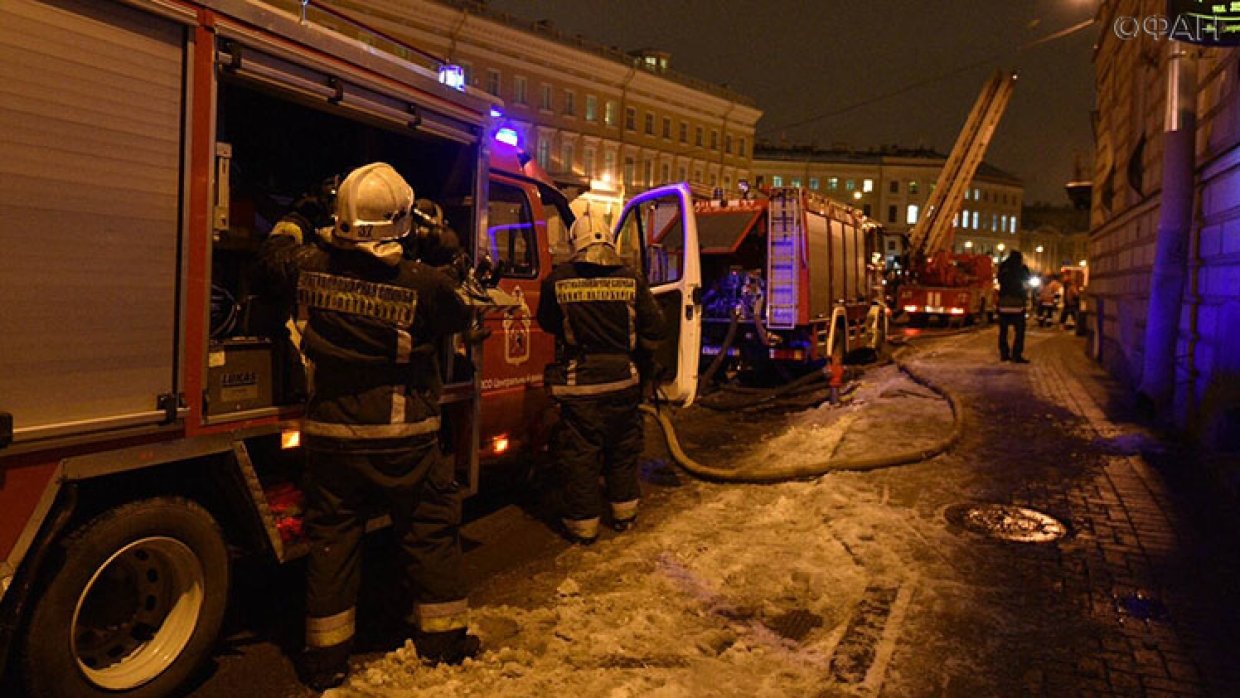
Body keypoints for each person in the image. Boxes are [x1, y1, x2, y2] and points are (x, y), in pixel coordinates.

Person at [259, 163, 480, 690]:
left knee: (333, 546)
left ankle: (327, 661)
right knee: (430, 536)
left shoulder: (305, 266)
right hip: (406, 440)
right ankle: (443, 643)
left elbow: (269, 261)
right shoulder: (422, 283)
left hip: (332, 439)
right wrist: (443, 249)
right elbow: (460, 313)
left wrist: (298, 215)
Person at [536, 210, 665, 545]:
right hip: (624, 380)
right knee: (623, 448)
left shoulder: (557, 280)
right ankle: (624, 515)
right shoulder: (631, 279)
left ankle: (584, 527)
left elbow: (549, 323)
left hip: (581, 385)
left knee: (581, 455)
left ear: (574, 242)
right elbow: (656, 326)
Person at [996, 249, 1032, 363]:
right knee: (1020, 331)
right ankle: (1016, 354)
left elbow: (999, 280)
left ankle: (1004, 353)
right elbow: (1027, 280)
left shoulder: (1003, 267)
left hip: (1004, 303)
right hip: (1017, 304)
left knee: (1003, 331)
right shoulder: (1021, 269)